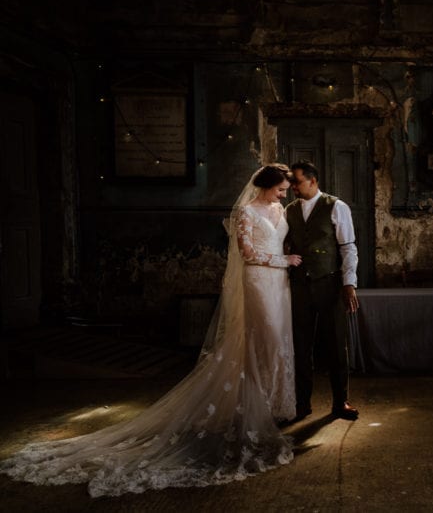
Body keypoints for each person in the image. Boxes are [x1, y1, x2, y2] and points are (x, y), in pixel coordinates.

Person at [0, 164, 302, 497]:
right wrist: (282, 262)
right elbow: (247, 253)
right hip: (259, 281)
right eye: (280, 189)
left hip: (280, 284)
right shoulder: (246, 211)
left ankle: (273, 406)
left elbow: (277, 239)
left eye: (286, 190)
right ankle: (252, 410)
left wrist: (285, 260)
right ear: (267, 185)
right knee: (262, 339)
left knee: (279, 342)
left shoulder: (277, 209)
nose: (284, 194)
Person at [286, 160, 359, 422]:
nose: (292, 186)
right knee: (300, 346)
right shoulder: (290, 210)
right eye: (291, 182)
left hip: (328, 283)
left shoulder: (336, 206)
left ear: (313, 180)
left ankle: (341, 402)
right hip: (299, 286)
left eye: (297, 181)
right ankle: (302, 404)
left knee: (336, 345)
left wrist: (349, 283)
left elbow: (348, 247)